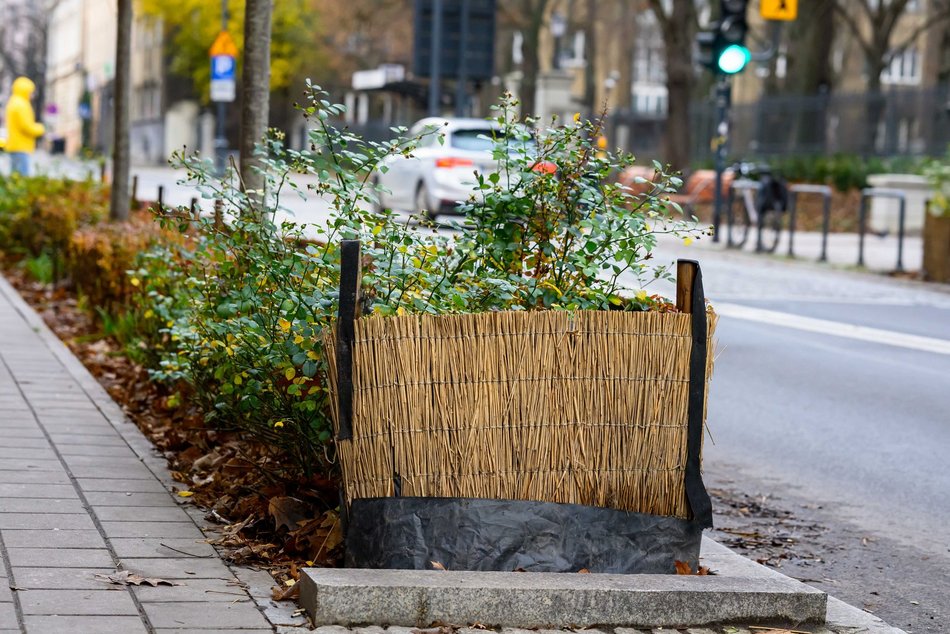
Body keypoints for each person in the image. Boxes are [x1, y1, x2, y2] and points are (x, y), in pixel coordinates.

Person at [3, 77, 45, 176]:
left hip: (15, 145)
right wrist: (41, 128)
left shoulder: (13, 102)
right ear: (25, 91)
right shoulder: (21, 105)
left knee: (15, 177)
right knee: (22, 177)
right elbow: (26, 126)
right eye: (31, 92)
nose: (32, 95)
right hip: (21, 146)